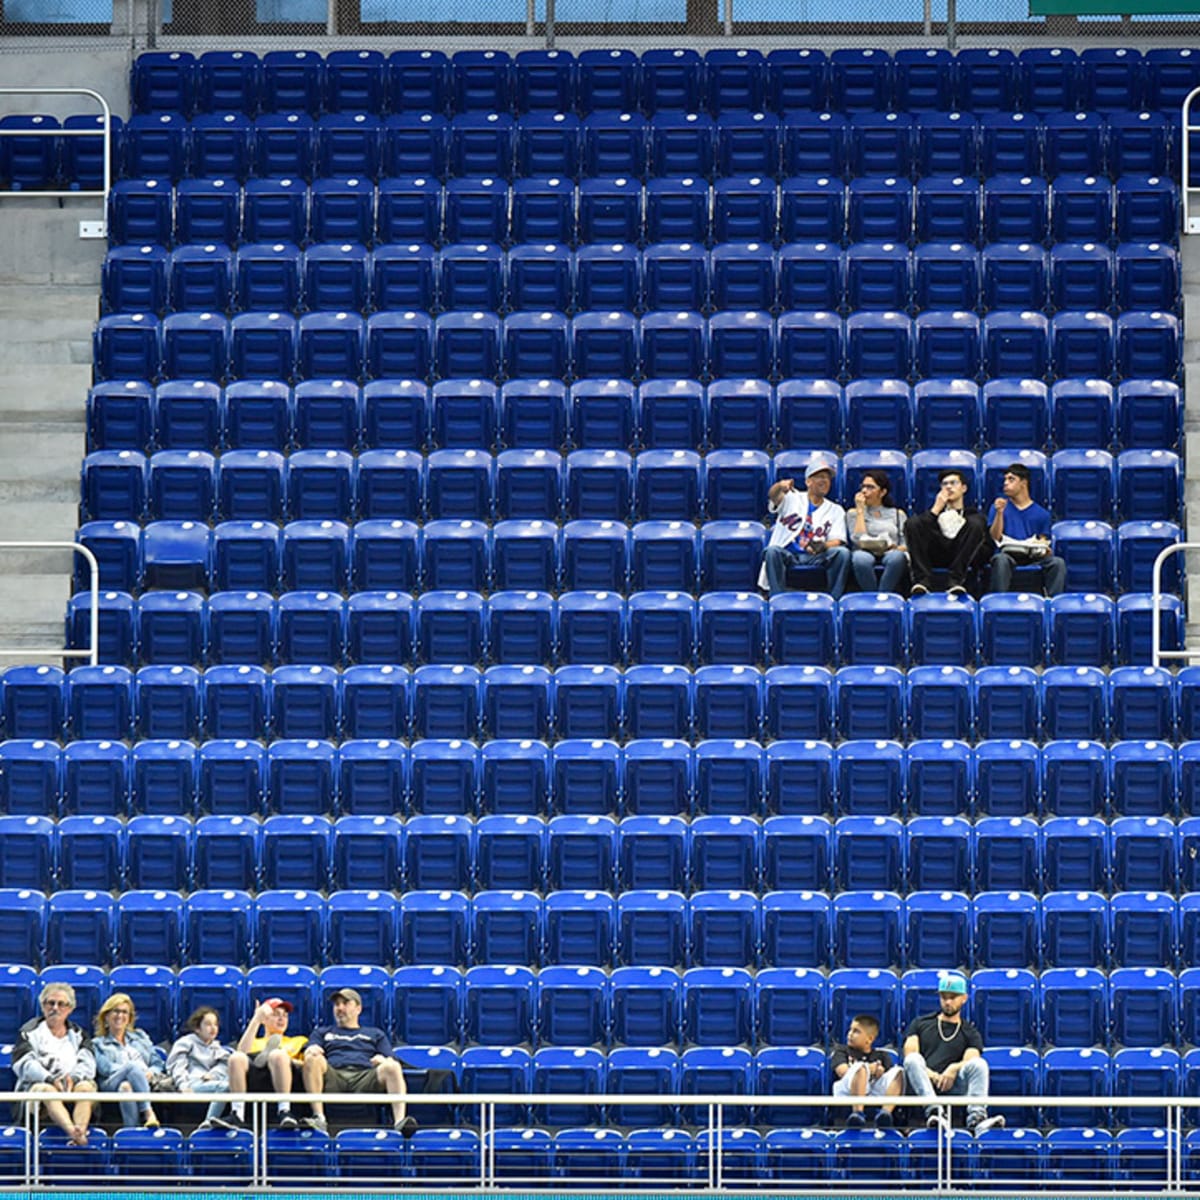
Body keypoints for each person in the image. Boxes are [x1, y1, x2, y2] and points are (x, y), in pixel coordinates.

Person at [301, 988, 415, 1137]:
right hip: (334, 1076)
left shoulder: (375, 1034)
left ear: (358, 1009)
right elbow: (310, 1051)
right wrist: (311, 1050)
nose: (340, 1008)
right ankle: (319, 1118)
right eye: (337, 1004)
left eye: (346, 1003)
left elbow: (391, 1059)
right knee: (312, 1059)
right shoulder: (322, 1032)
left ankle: (399, 1121)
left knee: (392, 1066)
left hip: (365, 1077)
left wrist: (383, 1060)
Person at [902, 973, 1004, 1135]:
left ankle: (976, 1118)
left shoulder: (970, 1032)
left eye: (953, 997)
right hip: (923, 1083)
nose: (948, 1002)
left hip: (953, 1085)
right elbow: (909, 1054)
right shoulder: (920, 1023)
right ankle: (934, 1111)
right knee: (913, 1060)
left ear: (964, 998)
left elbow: (972, 1059)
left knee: (979, 1064)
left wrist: (954, 1068)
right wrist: (934, 1076)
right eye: (944, 997)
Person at [13, 983, 97, 1145]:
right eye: (50, 1003)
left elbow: (88, 1063)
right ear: (43, 1006)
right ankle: (75, 1134)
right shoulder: (29, 1031)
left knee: (86, 1088)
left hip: (73, 1085)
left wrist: (73, 1078)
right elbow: (25, 1064)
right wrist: (50, 1079)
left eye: (61, 1004)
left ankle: (79, 1129)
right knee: (48, 1091)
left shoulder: (79, 1034)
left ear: (70, 1008)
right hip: (38, 1087)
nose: (55, 1008)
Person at [759, 458, 850, 599]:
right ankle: (776, 598)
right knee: (772, 551)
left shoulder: (836, 509)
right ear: (808, 482)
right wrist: (780, 486)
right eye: (820, 477)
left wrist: (823, 546)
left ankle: (834, 599)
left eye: (828, 478)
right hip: (788, 553)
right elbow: (773, 496)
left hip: (816, 556)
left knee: (842, 553)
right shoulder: (792, 498)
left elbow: (838, 540)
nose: (825, 481)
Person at [904, 469, 989, 597]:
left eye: (953, 483)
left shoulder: (973, 516)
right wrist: (936, 509)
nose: (948, 487)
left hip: (963, 554)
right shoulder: (933, 515)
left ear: (964, 488)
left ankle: (956, 580)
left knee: (976, 523)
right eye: (944, 484)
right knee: (913, 523)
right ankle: (922, 581)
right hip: (936, 553)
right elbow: (919, 532)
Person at [225, 998, 307, 1130]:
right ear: (264, 1020)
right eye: (275, 1015)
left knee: (277, 1055)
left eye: (284, 1015)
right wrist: (256, 1019)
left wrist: (289, 1060)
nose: (281, 1019)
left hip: (285, 1076)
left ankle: (284, 1111)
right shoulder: (253, 1041)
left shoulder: (299, 1041)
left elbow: (305, 1067)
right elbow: (242, 1053)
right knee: (236, 1058)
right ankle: (237, 1114)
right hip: (254, 1076)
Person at [987, 462, 1067, 597]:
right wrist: (999, 513)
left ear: (1023, 483)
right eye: (1005, 479)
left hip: (1032, 557)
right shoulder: (998, 506)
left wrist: (1044, 549)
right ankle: (998, 600)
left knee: (1057, 563)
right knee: (1000, 560)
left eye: (1011, 479)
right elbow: (995, 536)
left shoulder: (1042, 514)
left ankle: (1052, 602)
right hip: (1007, 555)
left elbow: (1043, 540)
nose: (1005, 483)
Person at [91, 992, 167, 1129]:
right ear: (106, 1016)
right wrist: (133, 1072)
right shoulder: (97, 1043)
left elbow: (157, 1063)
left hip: (144, 1081)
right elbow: (105, 1068)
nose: (120, 1016)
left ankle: (131, 1131)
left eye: (125, 1012)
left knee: (126, 1087)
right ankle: (148, 1112)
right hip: (110, 1082)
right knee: (132, 1067)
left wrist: (150, 1072)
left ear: (129, 1017)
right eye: (116, 1011)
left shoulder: (140, 1037)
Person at [830, 1014, 903, 1129]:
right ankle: (857, 1113)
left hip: (872, 1091)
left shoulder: (882, 1055)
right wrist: (868, 1069)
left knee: (899, 1072)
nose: (850, 1034)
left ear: (869, 1039)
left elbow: (890, 1081)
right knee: (860, 1067)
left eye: (856, 1031)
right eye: (850, 1029)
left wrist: (880, 1073)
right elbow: (842, 1072)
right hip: (847, 1092)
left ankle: (885, 1114)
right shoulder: (841, 1051)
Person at [167, 1007, 232, 1131]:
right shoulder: (186, 1043)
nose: (213, 1028)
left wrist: (214, 1074)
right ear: (197, 1028)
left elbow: (225, 1064)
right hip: (192, 1084)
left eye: (215, 1024)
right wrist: (183, 1086)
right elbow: (177, 1066)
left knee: (233, 1075)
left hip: (210, 1082)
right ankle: (208, 1123)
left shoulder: (216, 1047)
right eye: (208, 1024)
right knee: (224, 1086)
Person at [848, 469, 909, 595]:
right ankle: (872, 597)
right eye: (863, 487)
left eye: (870, 487)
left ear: (882, 492)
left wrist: (896, 547)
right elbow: (858, 539)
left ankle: (882, 595)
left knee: (897, 558)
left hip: (891, 551)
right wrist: (860, 510)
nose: (864, 491)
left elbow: (907, 543)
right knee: (860, 559)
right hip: (864, 551)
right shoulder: (853, 513)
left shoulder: (897, 514)